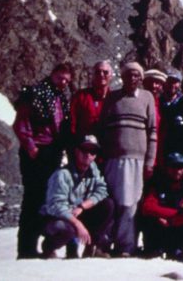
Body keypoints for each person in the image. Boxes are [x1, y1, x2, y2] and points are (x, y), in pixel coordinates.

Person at [13, 62, 73, 258]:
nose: (63, 82)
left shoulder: (61, 98)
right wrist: (32, 148)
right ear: (52, 74)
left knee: (46, 198)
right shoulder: (34, 93)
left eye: (66, 79)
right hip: (36, 153)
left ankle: (41, 245)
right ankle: (26, 248)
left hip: (52, 153)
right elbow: (22, 123)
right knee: (32, 199)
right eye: (60, 78)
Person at [100, 61, 157, 255]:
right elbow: (103, 128)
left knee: (130, 203)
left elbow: (153, 132)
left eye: (136, 75)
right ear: (122, 77)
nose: (132, 78)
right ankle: (104, 244)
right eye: (128, 75)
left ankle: (126, 246)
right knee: (110, 203)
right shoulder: (113, 97)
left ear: (141, 78)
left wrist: (149, 162)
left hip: (137, 161)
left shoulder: (147, 97)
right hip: (113, 160)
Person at [39, 135, 114, 259]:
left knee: (108, 205)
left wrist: (82, 206)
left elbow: (102, 191)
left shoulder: (93, 172)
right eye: (84, 150)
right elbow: (56, 206)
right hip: (56, 217)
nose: (88, 155)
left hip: (77, 212)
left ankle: (91, 247)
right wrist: (78, 224)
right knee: (65, 229)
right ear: (77, 151)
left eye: (93, 151)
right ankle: (49, 246)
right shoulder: (62, 175)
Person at [139, 152, 183, 261]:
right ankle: (154, 249)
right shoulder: (157, 183)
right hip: (160, 226)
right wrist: (166, 215)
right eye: (174, 167)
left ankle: (177, 249)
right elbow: (147, 207)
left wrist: (173, 220)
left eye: (180, 167)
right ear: (167, 168)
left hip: (177, 227)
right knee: (147, 217)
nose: (177, 171)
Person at [70, 60, 112, 149]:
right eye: (97, 72)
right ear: (93, 75)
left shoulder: (114, 98)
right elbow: (71, 122)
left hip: (107, 149)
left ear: (111, 75)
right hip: (83, 148)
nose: (101, 75)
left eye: (105, 72)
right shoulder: (80, 96)